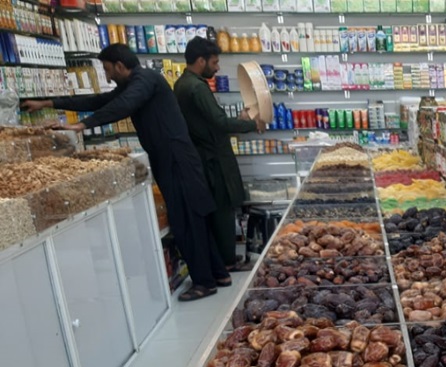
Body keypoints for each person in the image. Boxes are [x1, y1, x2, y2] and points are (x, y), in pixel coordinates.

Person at [22, 44, 229, 302]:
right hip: (173, 158)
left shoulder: (146, 80)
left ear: (120, 65)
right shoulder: (135, 83)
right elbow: (100, 101)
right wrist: (49, 103)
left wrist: (83, 125)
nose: (108, 76)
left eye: (108, 70)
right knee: (194, 217)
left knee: (187, 220)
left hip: (176, 160)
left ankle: (204, 282)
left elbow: (124, 105)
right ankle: (218, 274)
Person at [175, 37, 265, 273]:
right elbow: (219, 122)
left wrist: (239, 120)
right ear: (201, 60)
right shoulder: (196, 87)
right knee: (223, 210)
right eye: (214, 62)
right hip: (213, 160)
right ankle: (227, 261)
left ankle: (224, 259)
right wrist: (251, 124)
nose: (217, 68)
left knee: (218, 210)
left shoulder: (183, 83)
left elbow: (211, 121)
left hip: (203, 156)